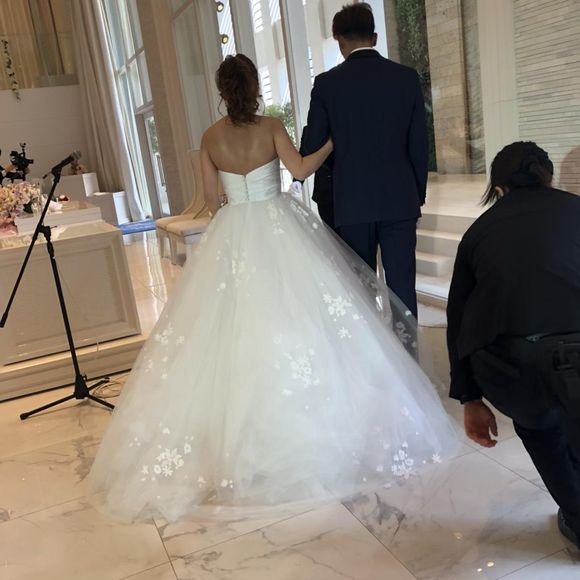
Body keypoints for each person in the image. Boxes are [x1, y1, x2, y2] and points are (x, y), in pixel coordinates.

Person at [88, 54, 455, 523]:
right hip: (279, 224)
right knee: (302, 314)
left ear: (222, 91)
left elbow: (209, 200)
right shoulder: (271, 127)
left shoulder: (210, 137)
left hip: (234, 229)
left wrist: (227, 200)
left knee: (233, 326)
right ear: (255, 87)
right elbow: (299, 171)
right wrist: (330, 145)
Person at [447, 141, 580, 548]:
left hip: (511, 367)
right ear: (549, 178)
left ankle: (578, 519)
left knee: (542, 433)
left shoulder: (478, 233)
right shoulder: (575, 210)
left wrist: (469, 397)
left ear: (498, 188)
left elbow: (459, 319)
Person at [300, 3, 428, 318]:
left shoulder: (327, 85)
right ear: (374, 37)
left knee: (362, 290)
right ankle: (407, 348)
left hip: (352, 202)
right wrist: (417, 194)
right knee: (402, 289)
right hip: (400, 199)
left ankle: (373, 350)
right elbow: (418, 145)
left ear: (340, 41)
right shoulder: (406, 78)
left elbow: (311, 145)